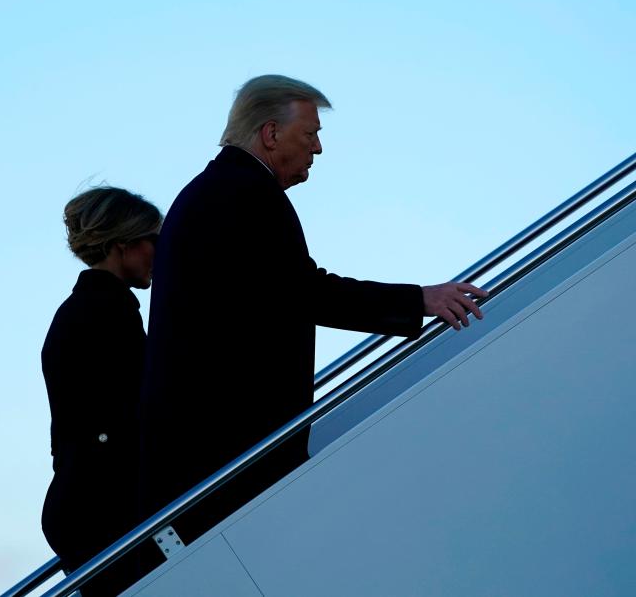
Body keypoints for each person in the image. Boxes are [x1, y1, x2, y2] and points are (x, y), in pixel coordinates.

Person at [139, 75, 487, 543]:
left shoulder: (215, 190)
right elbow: (304, 291)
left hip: (200, 449)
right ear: (270, 133)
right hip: (228, 452)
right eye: (311, 133)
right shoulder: (244, 192)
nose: (318, 148)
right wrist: (419, 299)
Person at [41, 186, 165, 597]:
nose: (161, 253)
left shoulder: (84, 310)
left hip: (84, 506)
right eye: (155, 240)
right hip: (102, 510)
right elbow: (139, 412)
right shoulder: (104, 313)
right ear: (123, 244)